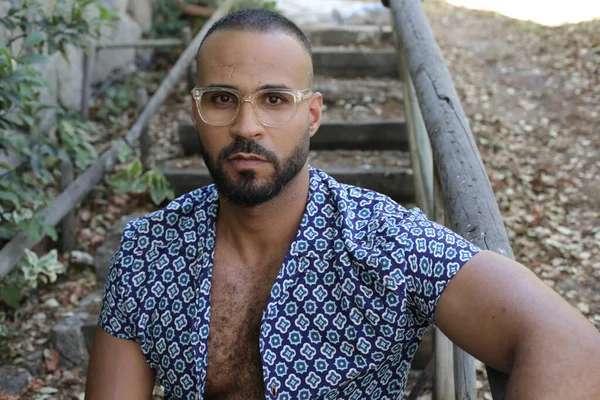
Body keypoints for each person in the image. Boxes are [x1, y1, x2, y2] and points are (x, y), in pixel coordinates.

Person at [85, 8, 600, 400]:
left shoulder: (384, 240)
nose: (246, 126)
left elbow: (571, 346)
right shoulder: (149, 250)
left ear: (312, 115)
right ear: (196, 112)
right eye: (222, 98)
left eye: (274, 99)